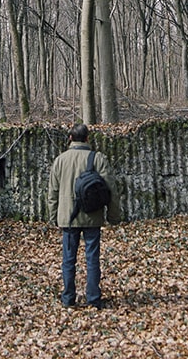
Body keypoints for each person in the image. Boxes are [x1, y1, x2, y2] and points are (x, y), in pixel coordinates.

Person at [47, 123, 123, 309]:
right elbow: (111, 189)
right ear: (88, 139)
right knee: (92, 258)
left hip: (68, 217)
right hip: (93, 215)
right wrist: (114, 216)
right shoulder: (98, 159)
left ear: (70, 139)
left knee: (68, 259)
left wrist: (53, 216)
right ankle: (93, 298)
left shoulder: (60, 160)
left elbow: (52, 192)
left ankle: (68, 298)